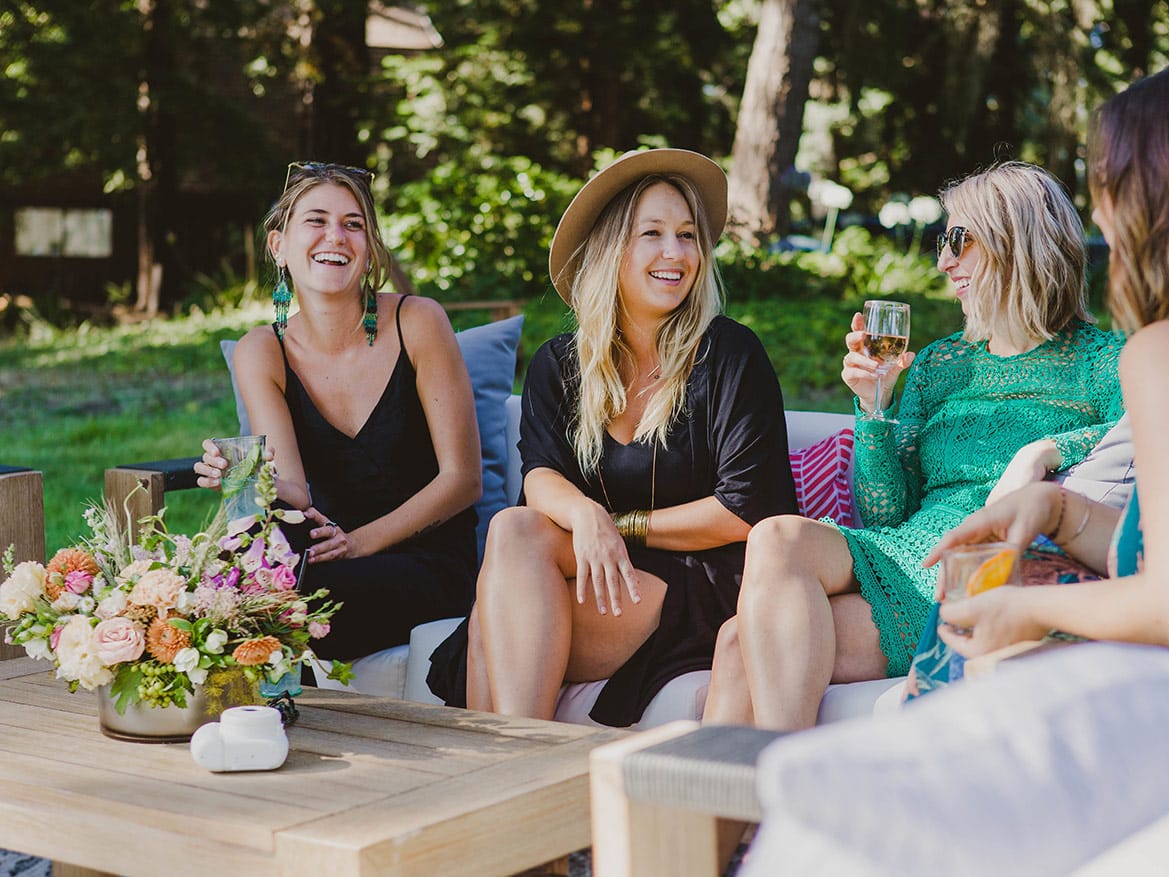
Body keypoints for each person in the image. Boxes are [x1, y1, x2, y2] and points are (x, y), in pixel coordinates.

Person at [931, 58, 1169, 758]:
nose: (1097, 212)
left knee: (948, 662)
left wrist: (1025, 609)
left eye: (1108, 184)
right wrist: (1060, 510)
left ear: (1161, 196)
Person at [703, 161, 1126, 730]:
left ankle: (774, 797)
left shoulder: (1101, 359)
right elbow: (886, 512)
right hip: (907, 552)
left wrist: (1044, 450)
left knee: (737, 643)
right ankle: (779, 783)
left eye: (959, 239)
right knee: (775, 542)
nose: (943, 260)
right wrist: (875, 407)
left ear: (1016, 242)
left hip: (979, 569)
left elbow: (1144, 431)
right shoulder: (938, 364)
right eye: (941, 241)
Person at [427, 148, 797, 725]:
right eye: (652, 234)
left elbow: (750, 510)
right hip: (593, 570)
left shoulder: (729, 353)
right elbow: (540, 474)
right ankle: (520, 768)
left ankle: (512, 767)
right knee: (513, 528)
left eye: (687, 235)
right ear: (611, 249)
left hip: (699, 581)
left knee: (493, 624)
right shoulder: (561, 364)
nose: (675, 253)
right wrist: (588, 519)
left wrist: (620, 525)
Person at [194, 161, 482, 660]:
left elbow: (463, 480)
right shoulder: (260, 350)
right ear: (278, 245)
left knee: (286, 601)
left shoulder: (419, 320)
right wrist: (238, 474)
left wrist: (360, 543)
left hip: (427, 561)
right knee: (226, 580)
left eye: (354, 224)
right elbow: (294, 492)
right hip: (327, 553)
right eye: (317, 220)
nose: (337, 236)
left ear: (369, 248)